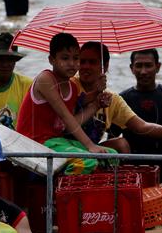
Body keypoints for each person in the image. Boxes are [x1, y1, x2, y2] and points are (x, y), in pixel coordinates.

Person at [75, 42, 162, 154]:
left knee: (121, 144)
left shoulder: (112, 98)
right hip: (66, 147)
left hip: (94, 150)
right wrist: (95, 100)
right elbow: (66, 124)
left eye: (92, 62)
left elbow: (142, 127)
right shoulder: (69, 85)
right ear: (132, 68)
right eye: (82, 61)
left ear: (105, 67)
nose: (85, 66)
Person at [16, 33, 109, 174]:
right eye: (65, 58)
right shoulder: (46, 79)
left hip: (56, 141)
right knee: (88, 161)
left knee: (111, 155)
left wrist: (96, 102)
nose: (72, 63)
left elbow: (69, 126)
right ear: (51, 60)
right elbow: (66, 116)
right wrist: (90, 145)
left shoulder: (72, 87)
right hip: (34, 143)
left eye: (76, 58)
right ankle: (59, 192)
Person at [114, 49, 162, 194]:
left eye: (148, 65)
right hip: (133, 174)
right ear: (131, 69)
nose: (143, 71)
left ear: (158, 67)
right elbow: (112, 140)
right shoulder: (122, 100)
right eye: (139, 66)